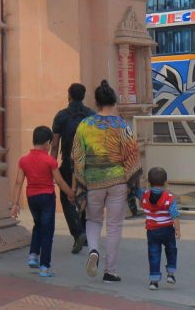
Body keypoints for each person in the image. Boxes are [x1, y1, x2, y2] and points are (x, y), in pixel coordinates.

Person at [72, 80, 141, 284]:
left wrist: (80, 181)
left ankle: (93, 250)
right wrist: (133, 182)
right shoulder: (122, 125)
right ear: (114, 101)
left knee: (93, 221)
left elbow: (77, 156)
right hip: (118, 182)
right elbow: (132, 154)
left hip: (93, 183)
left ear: (97, 102)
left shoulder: (84, 125)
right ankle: (110, 271)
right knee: (114, 226)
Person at [10, 125, 76, 278]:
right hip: (47, 197)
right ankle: (45, 266)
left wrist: (15, 203)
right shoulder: (50, 160)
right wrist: (71, 194)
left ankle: (33, 255)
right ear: (47, 143)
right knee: (47, 231)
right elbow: (59, 181)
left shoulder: (23, 160)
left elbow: (18, 182)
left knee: (38, 225)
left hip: (31, 197)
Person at [51, 82, 95, 254]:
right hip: (87, 163)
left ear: (68, 96)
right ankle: (84, 231)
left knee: (66, 197)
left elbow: (55, 144)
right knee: (85, 196)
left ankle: (77, 233)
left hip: (68, 163)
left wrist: (51, 164)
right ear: (83, 97)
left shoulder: (61, 116)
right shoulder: (91, 115)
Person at [141, 167, 180, 291]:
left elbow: (138, 191)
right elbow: (175, 215)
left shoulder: (145, 195)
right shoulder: (169, 197)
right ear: (165, 182)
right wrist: (178, 230)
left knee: (153, 254)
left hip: (152, 231)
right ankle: (171, 273)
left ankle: (154, 281)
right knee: (171, 250)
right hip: (167, 229)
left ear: (149, 183)